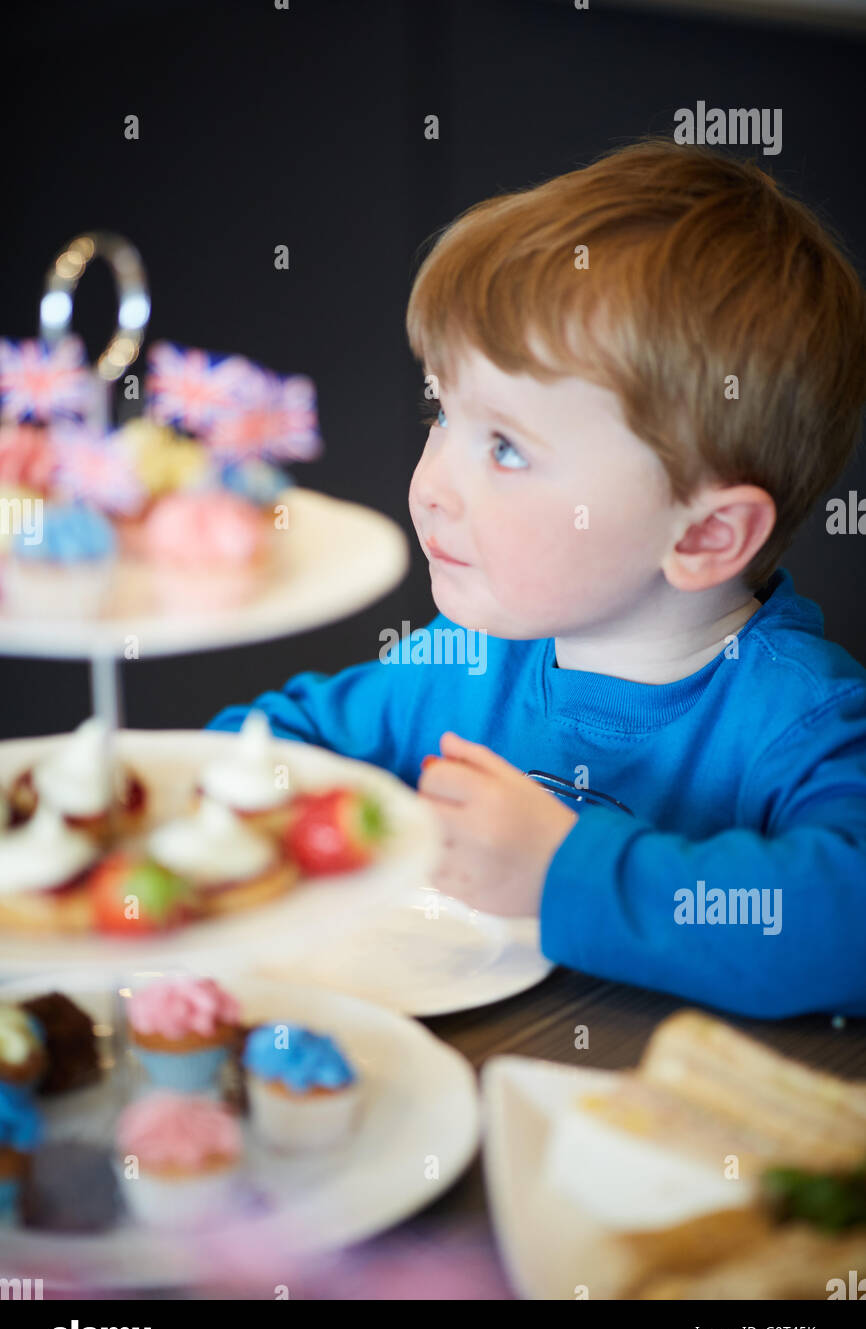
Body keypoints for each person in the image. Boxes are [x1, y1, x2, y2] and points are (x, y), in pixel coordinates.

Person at [208, 136, 866, 1019]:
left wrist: (567, 872)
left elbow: (845, 925)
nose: (433, 484)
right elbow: (263, 746)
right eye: (443, 412)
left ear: (705, 533)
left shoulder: (799, 723)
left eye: (508, 447)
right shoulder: (463, 660)